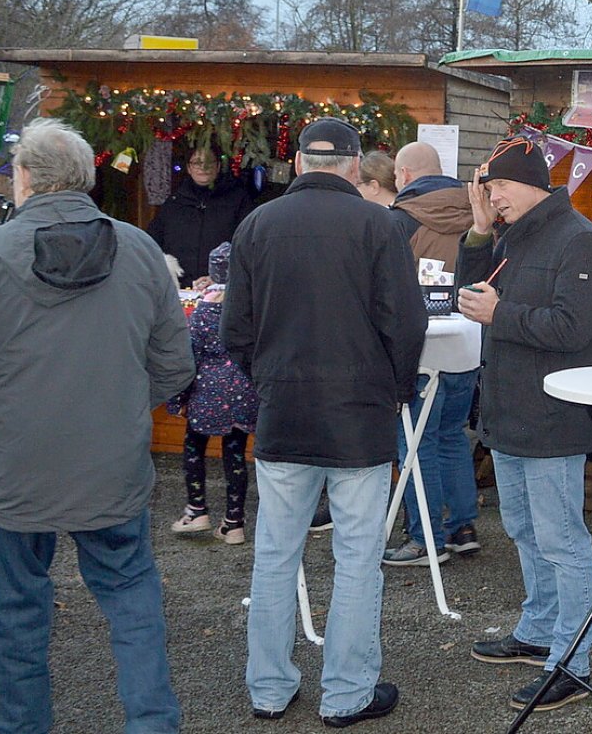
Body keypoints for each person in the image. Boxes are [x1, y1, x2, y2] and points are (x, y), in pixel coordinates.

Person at [0, 117, 195, 734]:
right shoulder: (140, 249)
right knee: (132, 602)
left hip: (17, 468)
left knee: (19, 615)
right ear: (86, 178)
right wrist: (122, 410)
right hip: (112, 467)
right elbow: (174, 362)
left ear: (22, 178)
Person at [223, 117, 427, 727]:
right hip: (358, 417)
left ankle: (268, 688)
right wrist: (392, 391)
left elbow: (236, 330)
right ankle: (346, 693)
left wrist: (269, 381)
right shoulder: (377, 224)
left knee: (275, 554)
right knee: (357, 557)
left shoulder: (258, 225)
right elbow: (406, 323)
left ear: (300, 164)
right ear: (353, 165)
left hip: (284, 411)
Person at [458, 135, 592, 714]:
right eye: (488, 189)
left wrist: (505, 314)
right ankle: (538, 629)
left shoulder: (581, 243)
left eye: (496, 187)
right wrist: (476, 232)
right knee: (524, 530)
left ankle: (572, 661)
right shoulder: (510, 237)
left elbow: (573, 330)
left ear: (527, 184)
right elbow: (467, 296)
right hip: (507, 411)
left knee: (562, 540)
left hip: (551, 418)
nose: (492, 197)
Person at [383, 140, 483, 568]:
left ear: (403, 176)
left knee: (415, 443)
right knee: (451, 436)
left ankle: (425, 538)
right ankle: (462, 527)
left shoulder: (401, 221)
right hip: (466, 345)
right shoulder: (476, 212)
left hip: (421, 347)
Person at [168, 241, 258, 545]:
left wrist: (178, 399)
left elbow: (188, 357)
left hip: (205, 392)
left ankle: (197, 509)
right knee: (235, 455)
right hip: (243, 391)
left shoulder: (202, 310)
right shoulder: (252, 305)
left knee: (194, 447)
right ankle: (234, 523)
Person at [146, 140, 255, 287]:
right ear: (189, 168)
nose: (203, 167)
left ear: (218, 166)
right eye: (197, 162)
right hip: (179, 288)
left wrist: (220, 277)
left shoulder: (238, 200)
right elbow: (152, 243)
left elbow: (247, 246)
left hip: (222, 287)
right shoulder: (174, 203)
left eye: (209, 162)